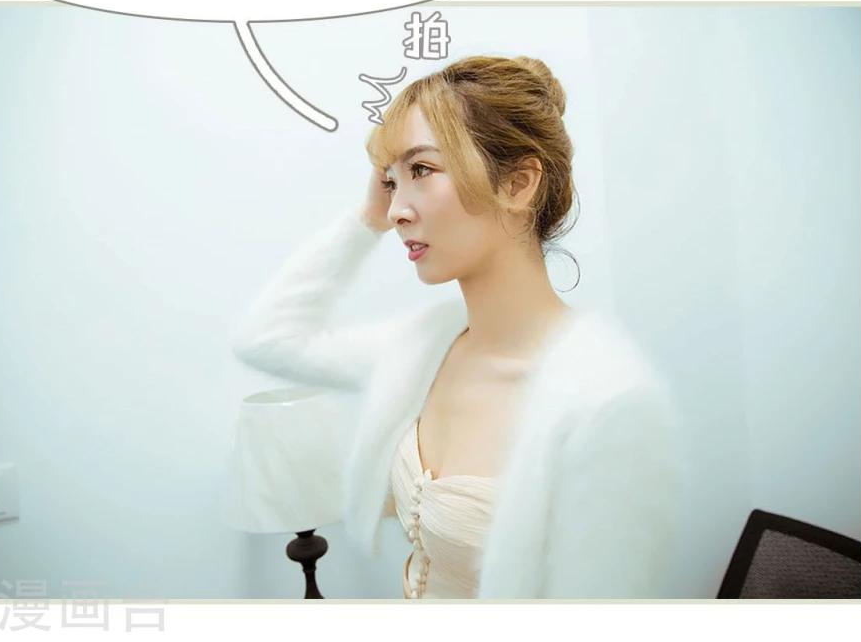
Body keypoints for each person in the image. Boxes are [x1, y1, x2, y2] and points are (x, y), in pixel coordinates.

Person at [231, 55, 684, 599]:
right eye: (390, 182)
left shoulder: (604, 403)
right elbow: (267, 340)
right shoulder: (425, 349)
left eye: (422, 170)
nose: (397, 210)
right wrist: (367, 220)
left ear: (518, 184)